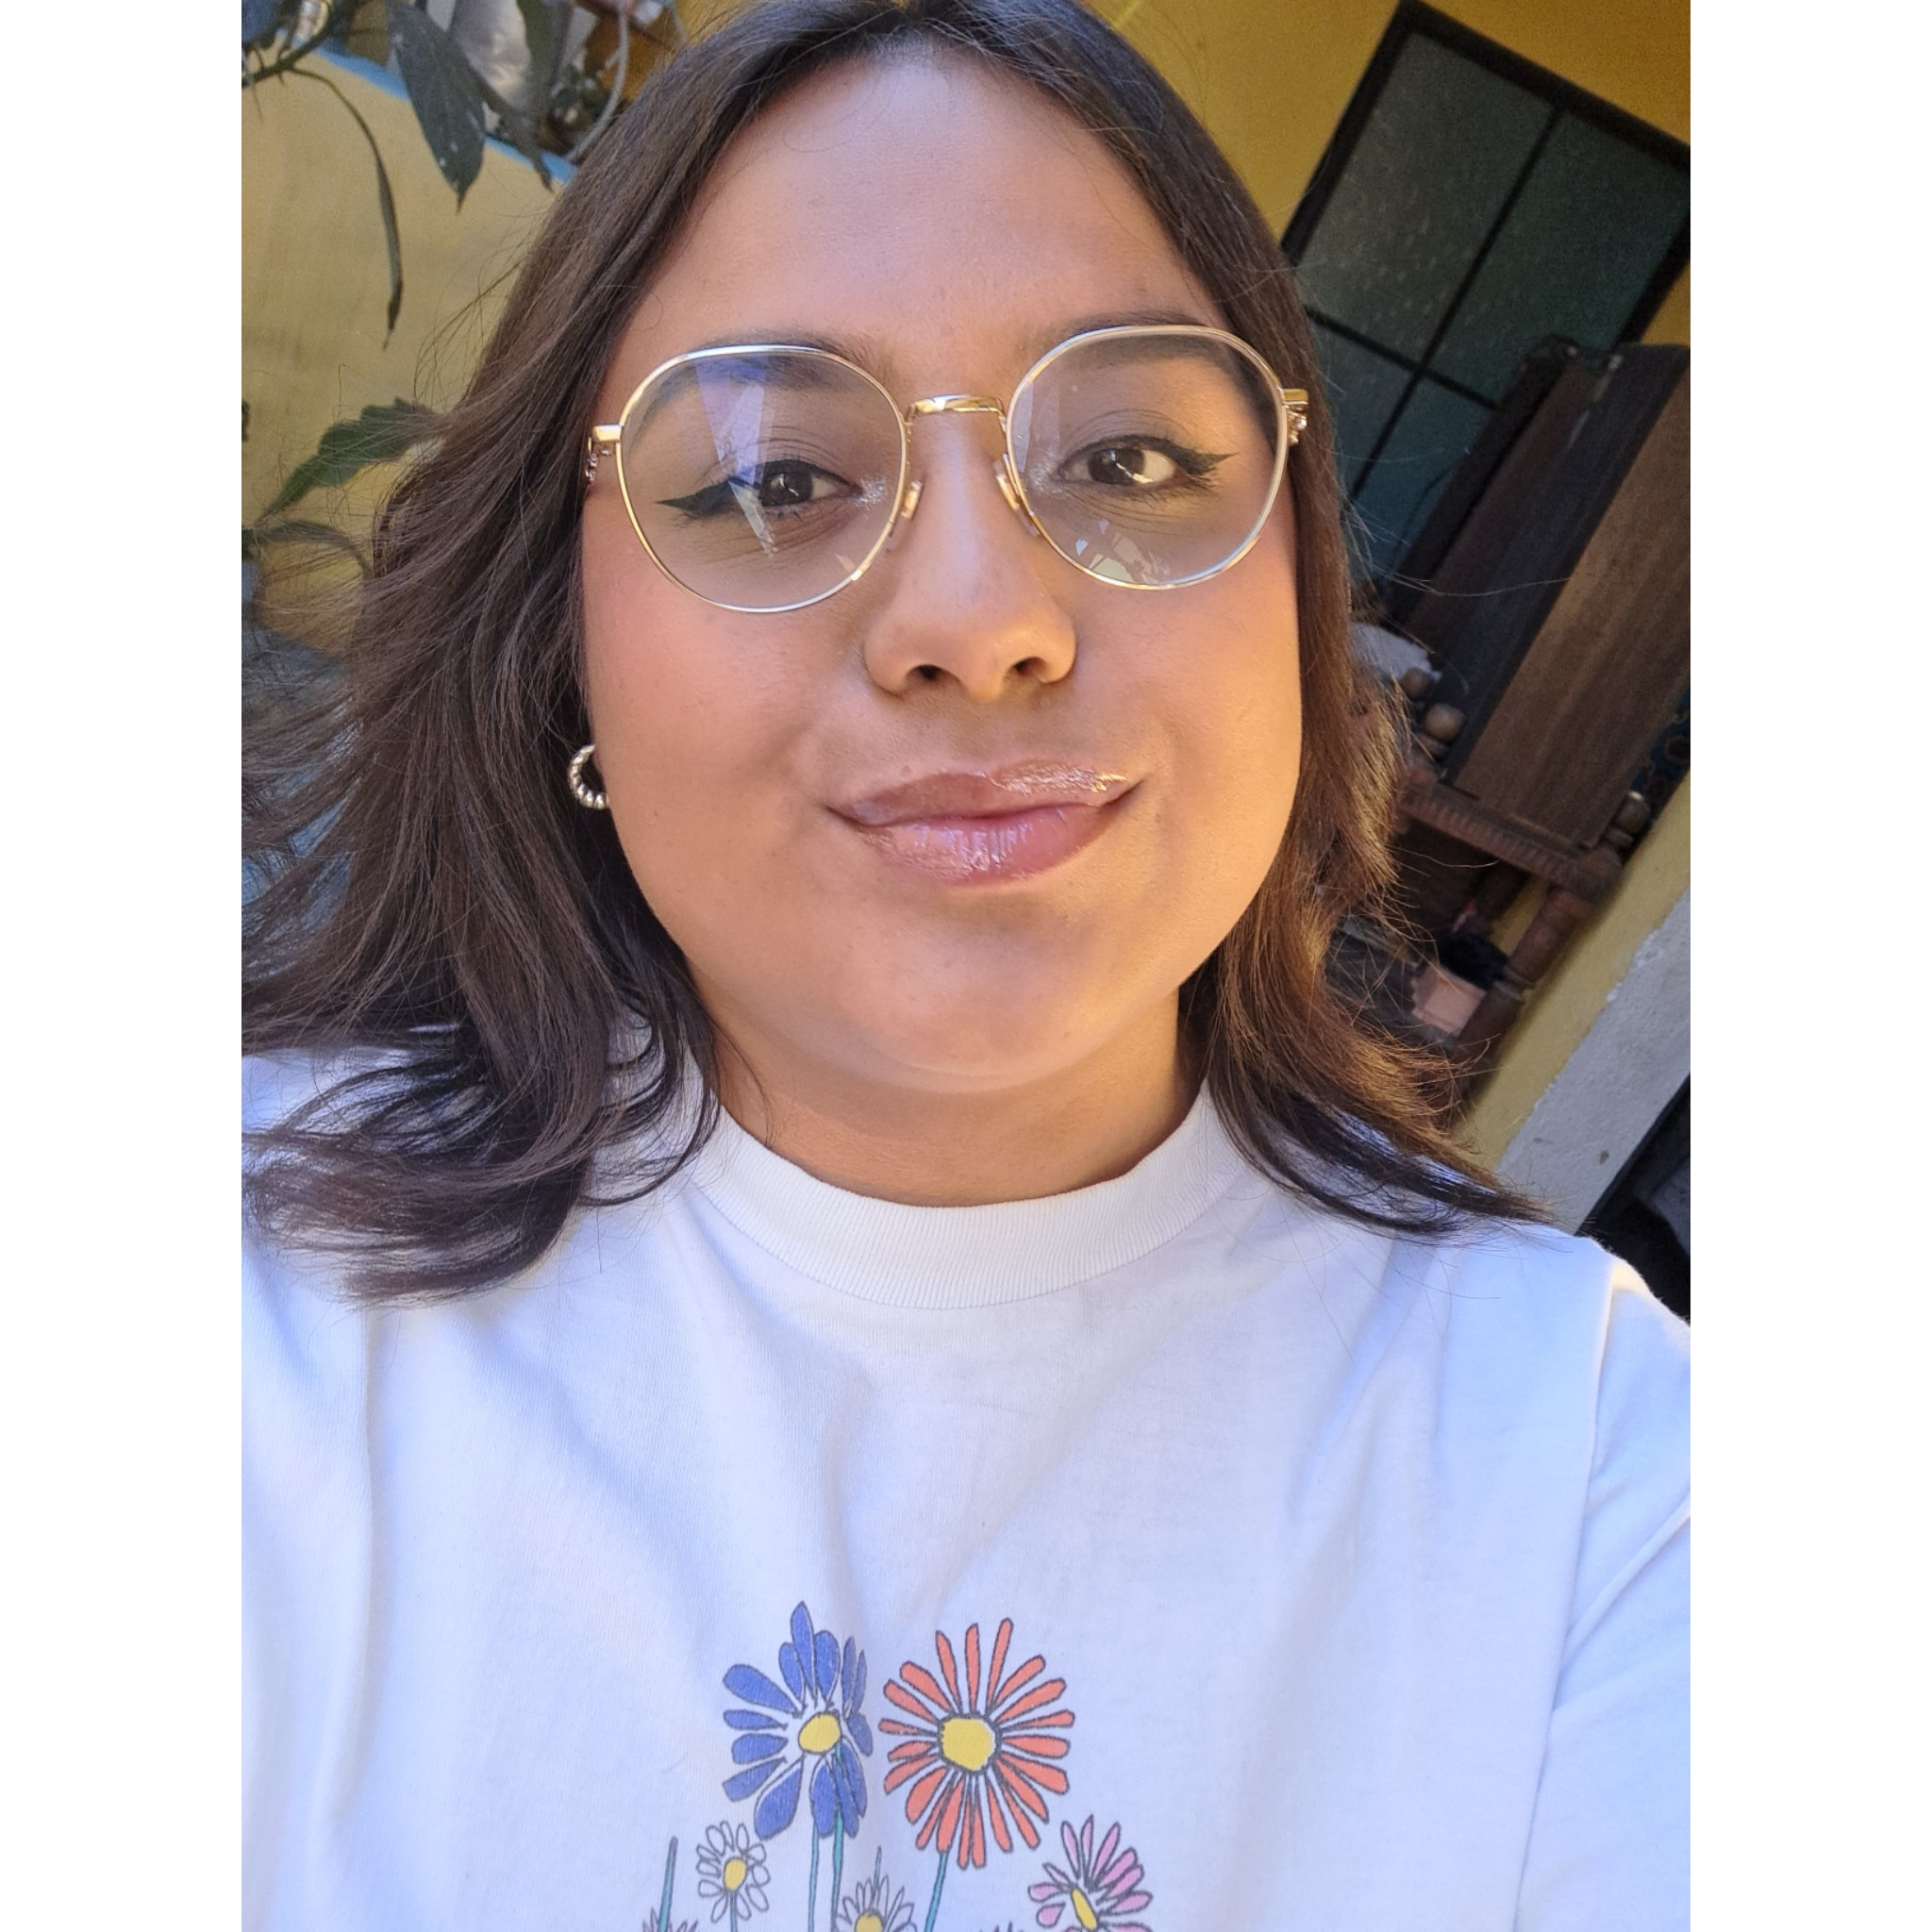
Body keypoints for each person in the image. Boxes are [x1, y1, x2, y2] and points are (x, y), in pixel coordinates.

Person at [242, 1, 1689, 1926]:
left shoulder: (1599, 1477)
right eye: (773, 477)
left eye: (1130, 456)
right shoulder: (238, 1292)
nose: (979, 618)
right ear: (561, 640)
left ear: (1297, 592)